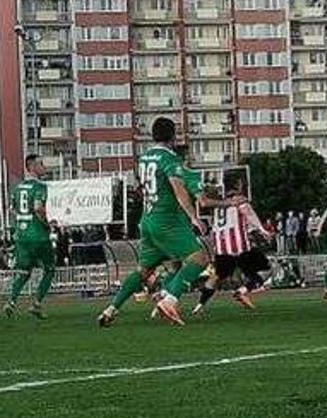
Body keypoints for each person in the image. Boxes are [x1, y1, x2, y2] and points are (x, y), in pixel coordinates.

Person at [98, 117, 240, 327]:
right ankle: (169, 300)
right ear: (173, 137)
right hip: (167, 221)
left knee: (143, 271)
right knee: (199, 259)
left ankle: (111, 309)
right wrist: (194, 216)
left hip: (147, 220)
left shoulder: (145, 157)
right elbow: (181, 190)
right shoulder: (171, 161)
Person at [193, 177, 274, 315]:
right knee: (267, 270)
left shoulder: (219, 203)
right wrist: (263, 230)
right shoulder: (238, 200)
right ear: (238, 184)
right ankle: (242, 292)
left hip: (221, 248)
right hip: (239, 247)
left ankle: (200, 305)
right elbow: (248, 213)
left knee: (216, 277)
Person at [3, 154, 56, 319]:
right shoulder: (40, 186)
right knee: (50, 269)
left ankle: (11, 301)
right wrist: (48, 225)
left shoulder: (18, 188)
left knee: (24, 272)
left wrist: (22, 220)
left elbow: (11, 209)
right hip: (38, 235)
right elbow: (39, 208)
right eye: (41, 164)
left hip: (21, 236)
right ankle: (36, 304)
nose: (44, 167)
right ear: (32, 167)